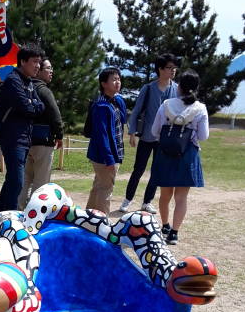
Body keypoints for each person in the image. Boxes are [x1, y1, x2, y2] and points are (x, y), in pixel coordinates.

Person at [150, 69, 209, 245]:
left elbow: (154, 131)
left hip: (166, 153)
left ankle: (165, 225)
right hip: (187, 154)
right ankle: (174, 233)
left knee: (165, 194)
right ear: (196, 88)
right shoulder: (200, 108)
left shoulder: (166, 104)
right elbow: (203, 136)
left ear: (179, 86)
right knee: (181, 197)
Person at [120, 53, 179, 214]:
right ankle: (127, 199)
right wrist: (132, 133)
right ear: (160, 69)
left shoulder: (176, 89)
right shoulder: (148, 88)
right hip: (147, 135)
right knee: (138, 169)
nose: (173, 70)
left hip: (165, 138)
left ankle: (147, 201)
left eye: (174, 67)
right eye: (169, 67)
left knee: (157, 170)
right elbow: (137, 110)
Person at [0, 43, 45, 212]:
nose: (38, 66)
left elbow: (40, 107)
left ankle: (2, 214)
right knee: (17, 181)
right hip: (12, 138)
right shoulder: (13, 80)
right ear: (23, 61)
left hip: (25, 137)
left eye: (39, 62)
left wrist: (32, 104)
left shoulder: (29, 82)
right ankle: (8, 217)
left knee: (13, 179)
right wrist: (32, 104)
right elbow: (28, 108)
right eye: (34, 61)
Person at [17, 57, 64, 209]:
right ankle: (34, 213)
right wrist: (59, 135)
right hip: (43, 142)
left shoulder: (25, 87)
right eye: (48, 68)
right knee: (41, 182)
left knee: (25, 179)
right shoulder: (44, 90)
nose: (52, 71)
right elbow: (55, 114)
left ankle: (18, 210)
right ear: (39, 71)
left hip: (25, 140)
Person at [86, 67, 127, 215]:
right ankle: (102, 222)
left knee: (99, 186)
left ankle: (89, 217)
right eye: (114, 79)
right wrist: (109, 159)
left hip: (108, 154)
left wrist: (119, 100)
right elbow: (102, 135)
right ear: (104, 84)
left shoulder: (114, 101)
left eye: (119, 79)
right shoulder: (101, 106)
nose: (118, 82)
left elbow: (123, 119)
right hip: (106, 156)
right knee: (106, 189)